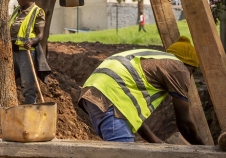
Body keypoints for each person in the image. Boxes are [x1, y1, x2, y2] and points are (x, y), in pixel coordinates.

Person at [77, 36, 205, 144]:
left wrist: (156, 142)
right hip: (110, 97)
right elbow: (185, 124)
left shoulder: (153, 60)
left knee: (117, 155)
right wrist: (203, 149)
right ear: (188, 65)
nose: (190, 77)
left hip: (93, 93)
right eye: (192, 72)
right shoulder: (179, 68)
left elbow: (131, 116)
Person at [11, 0, 46, 104]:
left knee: (27, 84)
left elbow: (41, 34)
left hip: (26, 53)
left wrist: (31, 42)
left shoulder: (37, 12)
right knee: (7, 80)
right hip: (11, 52)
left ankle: (30, 110)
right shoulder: (16, 11)